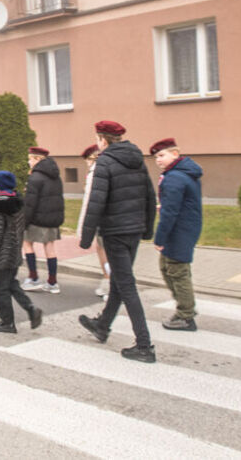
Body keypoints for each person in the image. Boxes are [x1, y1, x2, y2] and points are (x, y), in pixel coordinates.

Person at [78, 120, 158, 364]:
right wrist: (147, 230)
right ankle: (102, 325)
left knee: (126, 285)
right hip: (133, 229)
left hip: (114, 231)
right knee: (120, 281)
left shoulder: (105, 162)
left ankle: (144, 344)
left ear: (102, 139)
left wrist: (86, 237)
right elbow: (149, 195)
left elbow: (96, 202)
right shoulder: (137, 159)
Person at [0, 170, 43, 333]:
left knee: (2, 289)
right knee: (11, 284)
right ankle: (31, 309)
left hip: (3, 255)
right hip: (14, 252)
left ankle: (7, 322)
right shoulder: (16, 202)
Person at [150, 137, 203, 331]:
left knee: (177, 272)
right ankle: (185, 306)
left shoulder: (174, 177)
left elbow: (170, 212)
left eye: (162, 155)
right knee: (167, 267)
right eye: (156, 157)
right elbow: (175, 205)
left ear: (175, 153)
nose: (158, 160)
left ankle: (186, 315)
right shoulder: (182, 173)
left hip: (178, 231)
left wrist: (160, 238)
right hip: (186, 228)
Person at [21, 146, 65, 294]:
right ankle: (52, 282)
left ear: (37, 159)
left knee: (27, 244)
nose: (28, 162)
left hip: (37, 218)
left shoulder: (35, 177)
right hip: (52, 218)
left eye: (30, 159)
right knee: (50, 248)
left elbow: (30, 202)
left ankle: (33, 278)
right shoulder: (55, 175)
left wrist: (24, 221)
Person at [74, 144, 110, 301]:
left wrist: (85, 226)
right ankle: (108, 280)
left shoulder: (96, 172)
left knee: (106, 251)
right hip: (107, 218)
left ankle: (110, 283)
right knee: (102, 249)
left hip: (103, 219)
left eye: (88, 160)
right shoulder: (103, 169)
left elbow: (90, 201)